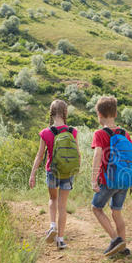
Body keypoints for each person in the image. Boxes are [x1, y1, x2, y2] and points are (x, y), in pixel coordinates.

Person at [29, 99, 80, 250]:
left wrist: (32, 174)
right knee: (63, 206)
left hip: (52, 171)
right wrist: (76, 169)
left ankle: (52, 226)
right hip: (68, 172)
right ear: (65, 113)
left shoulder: (46, 132)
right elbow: (77, 153)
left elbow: (39, 156)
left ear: (51, 113)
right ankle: (61, 240)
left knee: (53, 198)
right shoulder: (72, 131)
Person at [91, 96, 132, 257]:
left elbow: (97, 155)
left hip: (108, 180)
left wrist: (93, 179)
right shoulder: (124, 133)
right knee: (116, 212)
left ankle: (116, 240)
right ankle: (123, 248)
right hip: (124, 180)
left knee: (96, 208)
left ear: (99, 114)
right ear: (116, 114)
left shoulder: (100, 134)